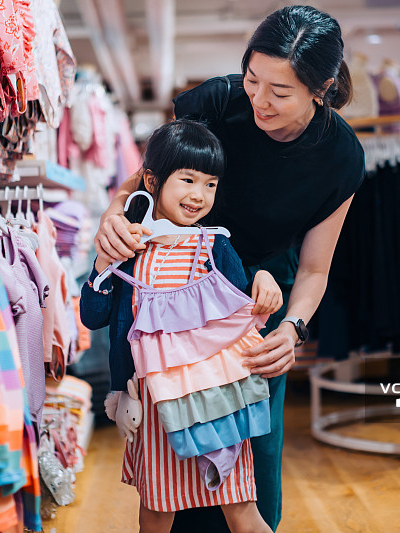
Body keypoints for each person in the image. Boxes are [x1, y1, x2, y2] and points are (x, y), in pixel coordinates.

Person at [94, 6, 365, 531]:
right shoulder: (219, 100)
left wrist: (293, 329)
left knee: (251, 456)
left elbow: (314, 269)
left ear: (322, 87)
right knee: (176, 450)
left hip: (258, 296)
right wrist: (112, 213)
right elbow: (150, 176)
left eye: (279, 92)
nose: (259, 99)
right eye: (253, 78)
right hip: (176, 278)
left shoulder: (341, 158)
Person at [80, 119, 285, 533]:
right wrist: (103, 266)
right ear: (153, 180)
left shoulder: (216, 245)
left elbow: (239, 307)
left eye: (210, 184)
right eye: (188, 179)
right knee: (155, 514)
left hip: (217, 401)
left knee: (242, 510)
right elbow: (92, 317)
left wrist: (262, 279)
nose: (199, 195)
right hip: (154, 404)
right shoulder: (130, 246)